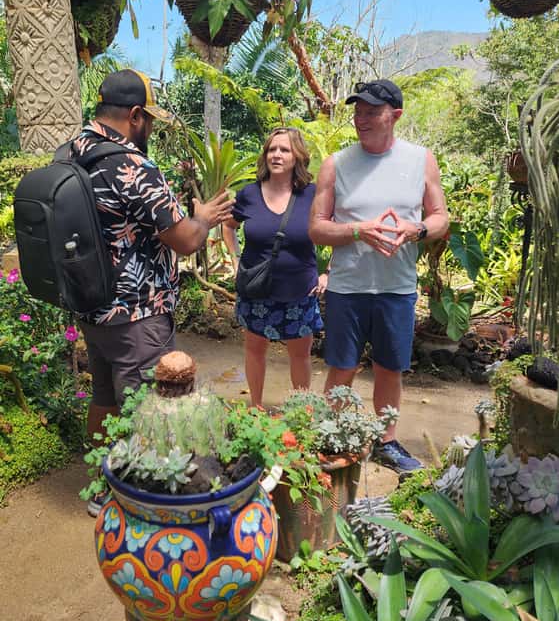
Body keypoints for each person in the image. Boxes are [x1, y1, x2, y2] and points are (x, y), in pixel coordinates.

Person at [72, 69, 233, 509]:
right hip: (137, 313)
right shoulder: (132, 165)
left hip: (92, 307)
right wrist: (204, 217)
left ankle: (100, 486)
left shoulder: (73, 154)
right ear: (136, 115)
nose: (152, 130)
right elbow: (183, 239)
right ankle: (139, 496)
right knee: (148, 407)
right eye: (151, 121)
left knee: (105, 396)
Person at [309, 79, 449, 473]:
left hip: (396, 288)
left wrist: (414, 229)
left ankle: (386, 442)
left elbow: (440, 218)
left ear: (396, 116)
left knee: (390, 367)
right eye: (358, 111)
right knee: (341, 367)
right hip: (347, 288)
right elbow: (317, 228)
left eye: (371, 112)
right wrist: (358, 230)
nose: (361, 119)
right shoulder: (336, 164)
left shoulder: (421, 160)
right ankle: (331, 438)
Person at [223, 127, 327, 408]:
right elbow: (229, 226)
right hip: (257, 287)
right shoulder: (249, 194)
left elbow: (334, 230)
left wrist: (328, 272)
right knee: (255, 349)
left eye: (284, 149)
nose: (276, 155)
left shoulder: (313, 195)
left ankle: (302, 412)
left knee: (300, 355)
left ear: (298, 156)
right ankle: (255, 406)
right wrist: (234, 260)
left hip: (300, 288)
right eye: (271, 149)